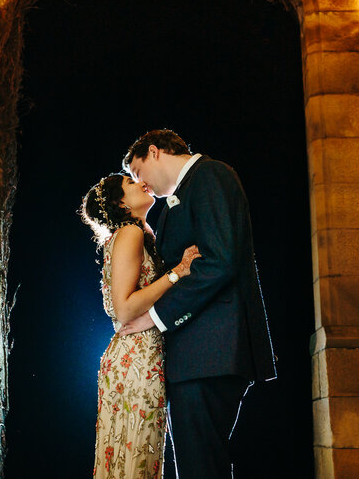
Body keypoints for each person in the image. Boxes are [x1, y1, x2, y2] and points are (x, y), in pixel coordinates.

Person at [118, 129, 276, 479]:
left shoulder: (211, 175)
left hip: (211, 353)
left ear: (155, 152)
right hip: (195, 356)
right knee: (198, 463)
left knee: (200, 464)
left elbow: (220, 262)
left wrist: (156, 317)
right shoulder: (174, 205)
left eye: (137, 172)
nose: (139, 182)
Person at [80, 172, 200, 479]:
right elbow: (125, 308)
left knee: (139, 455)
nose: (142, 183)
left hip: (142, 355)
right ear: (121, 202)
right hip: (136, 359)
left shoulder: (137, 232)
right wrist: (178, 272)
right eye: (131, 183)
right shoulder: (130, 233)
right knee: (137, 454)